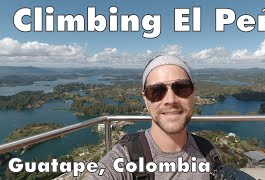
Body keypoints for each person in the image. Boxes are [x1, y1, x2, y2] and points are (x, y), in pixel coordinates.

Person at [87, 54, 221, 179]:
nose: (171, 99)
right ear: (146, 100)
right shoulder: (126, 157)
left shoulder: (208, 151)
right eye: (156, 91)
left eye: (181, 88)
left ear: (193, 94)